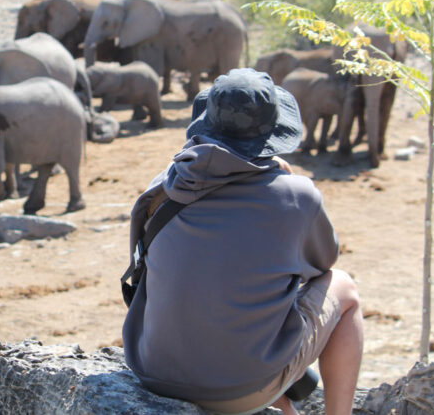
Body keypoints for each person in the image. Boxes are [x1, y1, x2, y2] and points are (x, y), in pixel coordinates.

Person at [122, 68, 363, 415]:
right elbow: (323, 263)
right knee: (344, 289)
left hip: (153, 371)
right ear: (272, 133)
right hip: (240, 389)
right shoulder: (296, 196)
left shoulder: (165, 186)